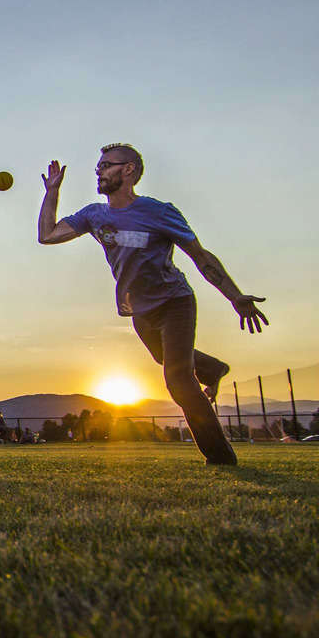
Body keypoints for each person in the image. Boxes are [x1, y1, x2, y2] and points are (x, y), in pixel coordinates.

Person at [37, 144, 268, 465]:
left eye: (106, 165)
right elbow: (47, 235)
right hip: (139, 310)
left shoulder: (159, 212)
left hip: (175, 302)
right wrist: (52, 192)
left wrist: (235, 296)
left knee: (178, 380)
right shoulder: (94, 215)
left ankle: (221, 458)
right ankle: (213, 368)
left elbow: (201, 257)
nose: (99, 171)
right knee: (164, 357)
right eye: (98, 167)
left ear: (128, 170)